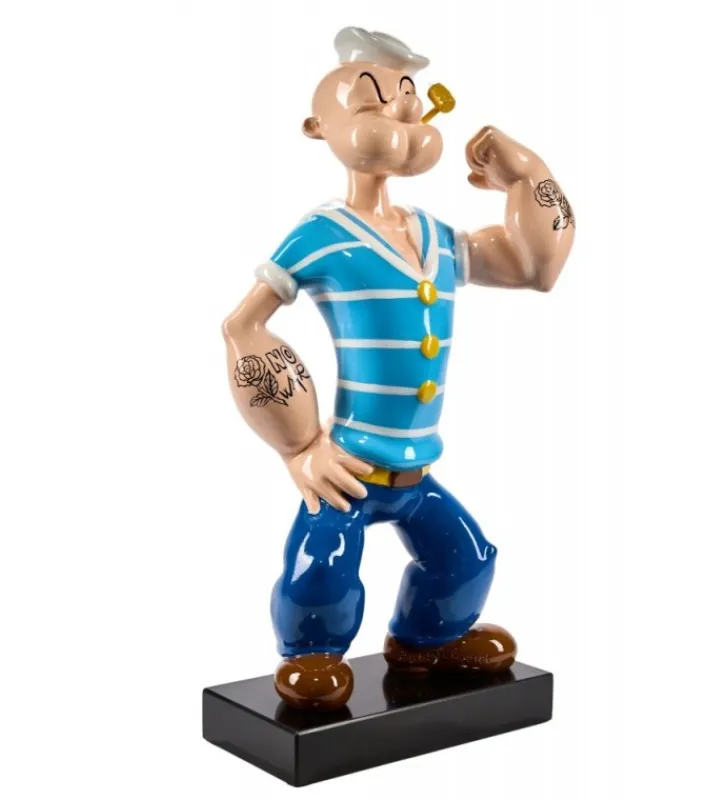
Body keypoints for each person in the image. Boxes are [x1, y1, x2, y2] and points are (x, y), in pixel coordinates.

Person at [222, 27, 575, 710]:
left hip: (417, 471)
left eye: (408, 98)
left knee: (467, 559)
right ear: (318, 129)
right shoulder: (322, 235)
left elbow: (537, 265)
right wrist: (299, 447)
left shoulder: (436, 236)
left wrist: (528, 174)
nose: (402, 112)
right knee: (321, 572)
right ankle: (311, 652)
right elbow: (243, 326)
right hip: (349, 468)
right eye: (372, 101)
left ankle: (425, 641)